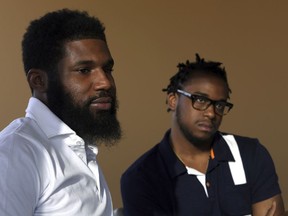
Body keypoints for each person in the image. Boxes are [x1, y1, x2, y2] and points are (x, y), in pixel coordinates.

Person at [121, 54, 285, 216]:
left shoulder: (250, 154)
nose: (211, 113)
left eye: (220, 105)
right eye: (200, 100)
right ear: (173, 100)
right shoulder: (141, 178)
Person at [0, 9, 122, 215]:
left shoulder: (80, 146)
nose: (105, 82)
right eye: (84, 70)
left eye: (107, 69)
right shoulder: (16, 152)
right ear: (39, 81)